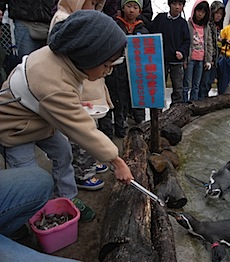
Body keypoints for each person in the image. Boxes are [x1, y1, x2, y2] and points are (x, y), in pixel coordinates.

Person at [0, 10, 134, 222]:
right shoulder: (53, 82)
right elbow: (83, 131)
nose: (108, 72)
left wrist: (77, 104)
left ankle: (67, 199)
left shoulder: (65, 58)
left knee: (63, 153)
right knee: (30, 179)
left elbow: (54, 99)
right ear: (88, 56)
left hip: (39, 120)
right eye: (106, 65)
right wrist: (116, 161)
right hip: (14, 128)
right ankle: (32, 218)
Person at [50, 0, 110, 192]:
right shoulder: (63, 19)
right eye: (91, 2)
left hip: (90, 88)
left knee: (93, 126)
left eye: (97, 4)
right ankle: (82, 173)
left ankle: (91, 163)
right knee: (81, 132)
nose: (94, 7)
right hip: (76, 87)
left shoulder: (86, 19)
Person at [105, 0, 148, 138]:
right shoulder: (114, 26)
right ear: (123, 8)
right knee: (118, 99)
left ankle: (140, 126)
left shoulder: (143, 30)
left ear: (139, 11)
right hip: (117, 71)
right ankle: (118, 128)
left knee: (137, 96)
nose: (131, 10)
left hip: (136, 72)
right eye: (129, 6)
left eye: (135, 7)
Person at [149, 0, 190, 105]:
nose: (177, 7)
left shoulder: (183, 23)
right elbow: (151, 33)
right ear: (169, 4)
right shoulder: (160, 18)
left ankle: (176, 109)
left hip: (176, 61)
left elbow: (187, 41)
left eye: (180, 5)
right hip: (160, 60)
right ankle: (157, 110)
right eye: (174, 4)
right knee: (158, 86)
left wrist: (182, 52)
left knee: (177, 87)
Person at [183, 0, 212, 102]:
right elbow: (185, 42)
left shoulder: (206, 27)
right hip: (190, 59)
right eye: (199, 10)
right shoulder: (188, 24)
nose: (200, 14)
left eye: (203, 12)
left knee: (196, 85)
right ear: (194, 10)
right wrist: (185, 59)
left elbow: (209, 44)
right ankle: (183, 105)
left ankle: (193, 105)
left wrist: (208, 60)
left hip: (201, 60)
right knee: (187, 84)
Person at [198, 1, 225, 100]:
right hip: (208, 58)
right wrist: (209, 59)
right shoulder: (208, 25)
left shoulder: (219, 27)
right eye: (217, 13)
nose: (218, 16)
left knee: (209, 81)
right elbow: (208, 43)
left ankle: (203, 99)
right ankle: (200, 101)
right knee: (204, 82)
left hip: (216, 58)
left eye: (221, 14)